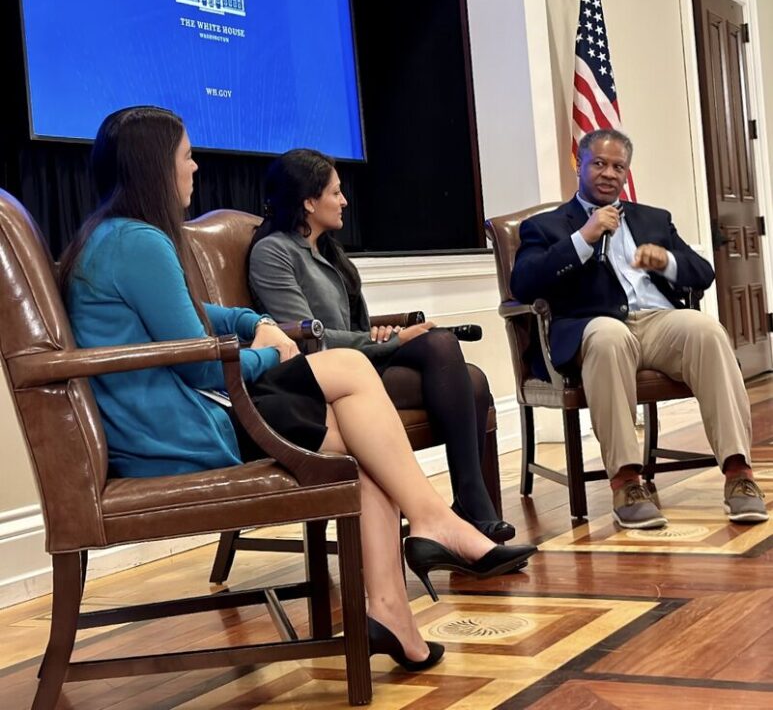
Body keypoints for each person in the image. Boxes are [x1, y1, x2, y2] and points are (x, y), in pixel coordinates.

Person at [60, 107, 537, 671]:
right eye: (186, 156)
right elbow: (202, 369)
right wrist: (272, 351)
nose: (195, 166)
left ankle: (394, 607)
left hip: (179, 417)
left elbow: (196, 314)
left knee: (364, 446)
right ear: (154, 165)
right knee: (351, 374)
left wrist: (251, 322)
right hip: (178, 432)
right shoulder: (138, 242)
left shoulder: (114, 238)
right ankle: (433, 525)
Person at [247, 148, 514, 544]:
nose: (344, 201)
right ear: (308, 202)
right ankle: (471, 508)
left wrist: (384, 337)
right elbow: (307, 337)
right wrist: (391, 341)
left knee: (460, 365)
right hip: (315, 379)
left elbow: (353, 328)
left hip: (355, 364)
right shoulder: (272, 252)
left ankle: (469, 507)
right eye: (335, 193)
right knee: (457, 366)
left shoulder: (329, 250)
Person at [511, 128, 768, 529]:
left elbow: (703, 273)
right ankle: (627, 482)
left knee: (706, 330)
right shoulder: (545, 226)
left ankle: (738, 474)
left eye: (618, 167)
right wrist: (583, 238)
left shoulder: (653, 218)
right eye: (599, 163)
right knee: (609, 337)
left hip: (657, 322)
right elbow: (523, 284)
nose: (609, 173)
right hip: (594, 327)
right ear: (580, 165)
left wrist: (666, 261)